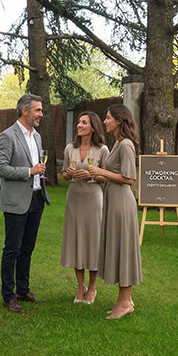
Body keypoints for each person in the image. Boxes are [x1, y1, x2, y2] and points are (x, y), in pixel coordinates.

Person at [0, 94, 50, 313]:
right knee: (12, 249)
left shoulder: (37, 137)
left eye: (41, 110)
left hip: (36, 199)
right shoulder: (7, 136)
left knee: (28, 248)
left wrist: (38, 175)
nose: (41, 114)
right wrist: (29, 171)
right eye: (38, 110)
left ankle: (23, 290)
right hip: (16, 201)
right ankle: (8, 296)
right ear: (24, 111)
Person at [88, 104, 142, 320]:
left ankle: (126, 302)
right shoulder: (118, 143)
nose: (105, 121)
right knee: (117, 249)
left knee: (123, 250)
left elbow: (129, 179)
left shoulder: (126, 144)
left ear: (119, 121)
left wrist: (102, 171)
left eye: (108, 117)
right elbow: (115, 175)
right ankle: (123, 300)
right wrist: (97, 176)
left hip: (122, 204)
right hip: (113, 200)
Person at [60, 111, 109, 304]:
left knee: (93, 242)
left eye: (84, 122)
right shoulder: (70, 148)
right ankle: (81, 287)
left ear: (93, 127)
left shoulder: (102, 150)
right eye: (79, 122)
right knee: (76, 241)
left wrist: (93, 175)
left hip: (93, 200)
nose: (79, 125)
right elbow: (64, 174)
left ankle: (93, 287)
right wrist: (68, 173)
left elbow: (106, 177)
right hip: (74, 199)